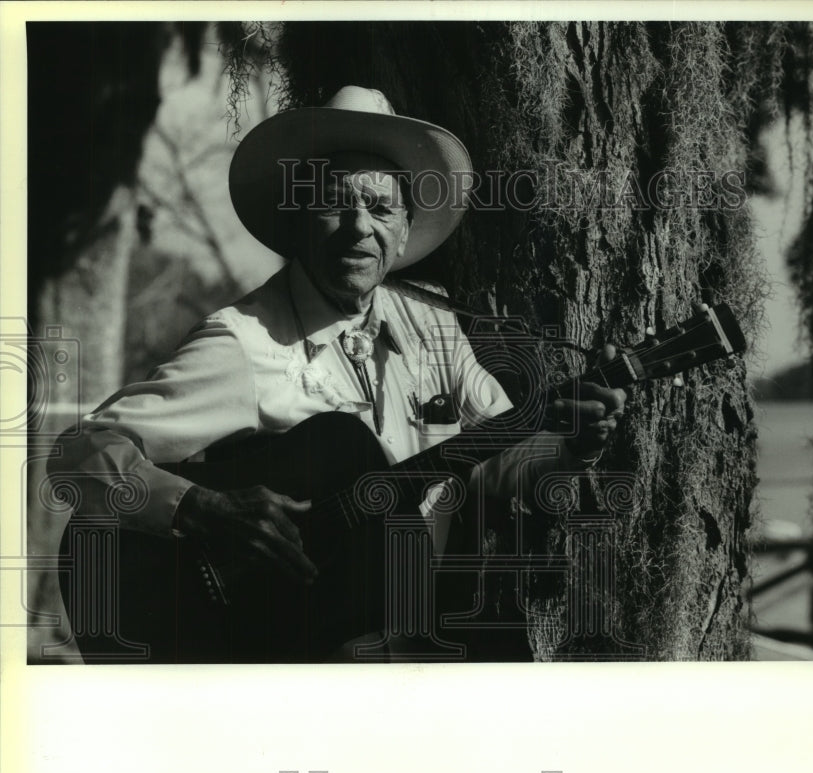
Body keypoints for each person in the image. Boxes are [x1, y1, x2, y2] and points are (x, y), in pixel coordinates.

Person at [51, 86, 626, 660]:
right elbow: (79, 452)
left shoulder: (435, 328)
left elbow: (496, 460)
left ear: (403, 231)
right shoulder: (245, 340)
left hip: (424, 651)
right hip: (289, 657)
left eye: (380, 208)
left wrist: (569, 446)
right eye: (334, 203)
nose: (358, 227)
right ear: (297, 220)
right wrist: (202, 508)